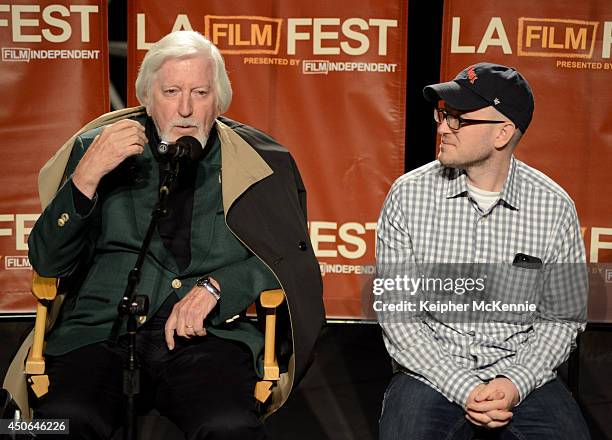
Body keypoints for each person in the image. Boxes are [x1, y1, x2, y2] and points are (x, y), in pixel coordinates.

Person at [24, 30, 325, 439]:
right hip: (101, 332)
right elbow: (47, 261)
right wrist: (86, 177)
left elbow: (292, 257)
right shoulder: (98, 149)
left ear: (218, 102)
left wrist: (221, 287)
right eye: (171, 91)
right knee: (56, 425)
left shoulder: (261, 164)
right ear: (147, 99)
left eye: (200, 93)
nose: (185, 108)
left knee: (230, 427)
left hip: (205, 339)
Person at [376, 62, 590, 439]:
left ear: (503, 133)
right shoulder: (407, 196)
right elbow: (398, 317)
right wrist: (466, 388)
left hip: (521, 372)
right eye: (443, 115)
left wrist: (512, 383)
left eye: (459, 119)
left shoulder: (554, 206)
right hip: (432, 371)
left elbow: (562, 319)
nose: (443, 127)